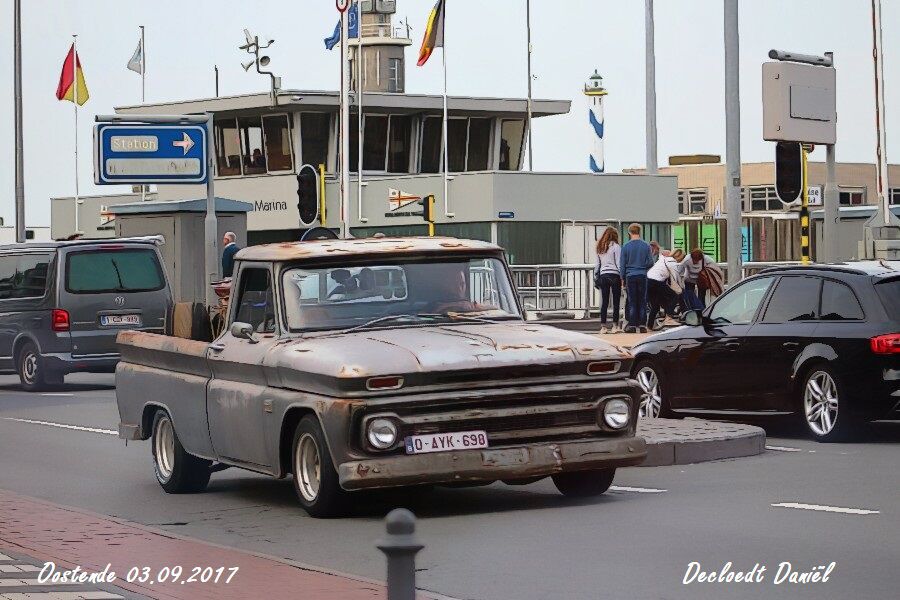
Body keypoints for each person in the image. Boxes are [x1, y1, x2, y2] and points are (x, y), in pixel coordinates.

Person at [619, 223, 655, 333]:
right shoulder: (646, 246)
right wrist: (643, 267)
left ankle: (632, 325)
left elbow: (622, 264)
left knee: (632, 300)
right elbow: (651, 262)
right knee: (642, 300)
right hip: (642, 275)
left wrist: (622, 278)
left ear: (629, 232)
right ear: (640, 232)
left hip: (630, 275)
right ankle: (642, 325)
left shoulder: (626, 246)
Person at [646, 248, 684, 330]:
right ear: (679, 257)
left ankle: (649, 326)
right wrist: (681, 289)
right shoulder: (672, 262)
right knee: (674, 296)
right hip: (657, 281)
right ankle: (668, 318)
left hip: (648, 281)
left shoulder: (663, 259)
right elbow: (676, 278)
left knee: (655, 305)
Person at [594, 227, 622, 333]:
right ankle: (615, 326)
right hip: (614, 275)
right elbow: (618, 263)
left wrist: (596, 276)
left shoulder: (600, 247)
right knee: (616, 302)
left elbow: (597, 264)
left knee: (604, 302)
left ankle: (603, 327)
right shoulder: (616, 247)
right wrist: (622, 276)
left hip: (603, 275)